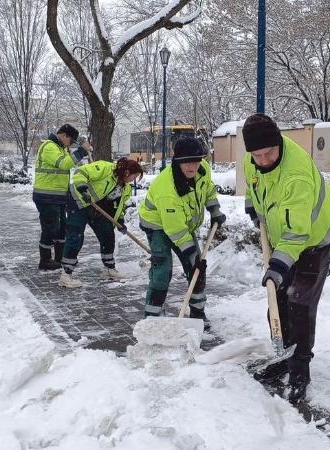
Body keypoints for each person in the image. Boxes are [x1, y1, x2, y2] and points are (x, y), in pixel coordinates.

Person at [241, 113, 330, 405]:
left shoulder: (295, 176)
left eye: (268, 153)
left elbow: (298, 233)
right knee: (279, 298)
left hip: (316, 238)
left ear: (279, 144)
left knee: (299, 301)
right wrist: (252, 205)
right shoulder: (253, 160)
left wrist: (277, 265)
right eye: (256, 155)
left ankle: (300, 370)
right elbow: (253, 183)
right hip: (287, 234)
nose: (262, 160)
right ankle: (281, 357)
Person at [138, 137, 226, 331]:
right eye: (187, 162)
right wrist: (192, 254)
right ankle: (152, 318)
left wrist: (215, 210)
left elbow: (208, 190)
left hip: (184, 225)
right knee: (162, 271)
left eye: (196, 160)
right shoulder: (167, 189)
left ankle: (197, 313)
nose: (192, 166)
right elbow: (175, 230)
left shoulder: (202, 171)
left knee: (197, 271)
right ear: (177, 161)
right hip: (157, 226)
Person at [57, 157, 144, 288]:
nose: (133, 180)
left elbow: (119, 206)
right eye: (134, 176)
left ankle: (109, 269)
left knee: (107, 234)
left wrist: (119, 221)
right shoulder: (105, 168)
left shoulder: (125, 189)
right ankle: (66, 274)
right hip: (78, 200)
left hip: (95, 208)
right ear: (127, 172)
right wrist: (82, 188)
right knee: (76, 236)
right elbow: (81, 172)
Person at [33, 124, 93, 270]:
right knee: (50, 228)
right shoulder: (49, 147)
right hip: (46, 196)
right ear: (64, 135)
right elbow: (65, 164)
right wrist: (81, 151)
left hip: (58, 196)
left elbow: (69, 163)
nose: (71, 144)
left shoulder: (61, 148)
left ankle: (60, 258)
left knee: (61, 229)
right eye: (71, 141)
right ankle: (45, 260)